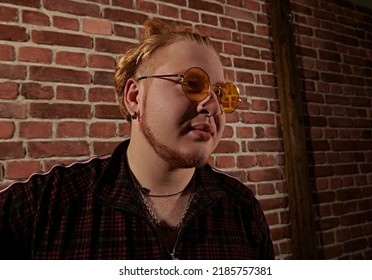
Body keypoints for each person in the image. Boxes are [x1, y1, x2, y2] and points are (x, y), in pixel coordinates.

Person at [0, 18, 274, 259]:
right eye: (192, 84)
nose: (212, 107)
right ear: (134, 97)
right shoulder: (46, 204)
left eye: (223, 94)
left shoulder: (242, 208)